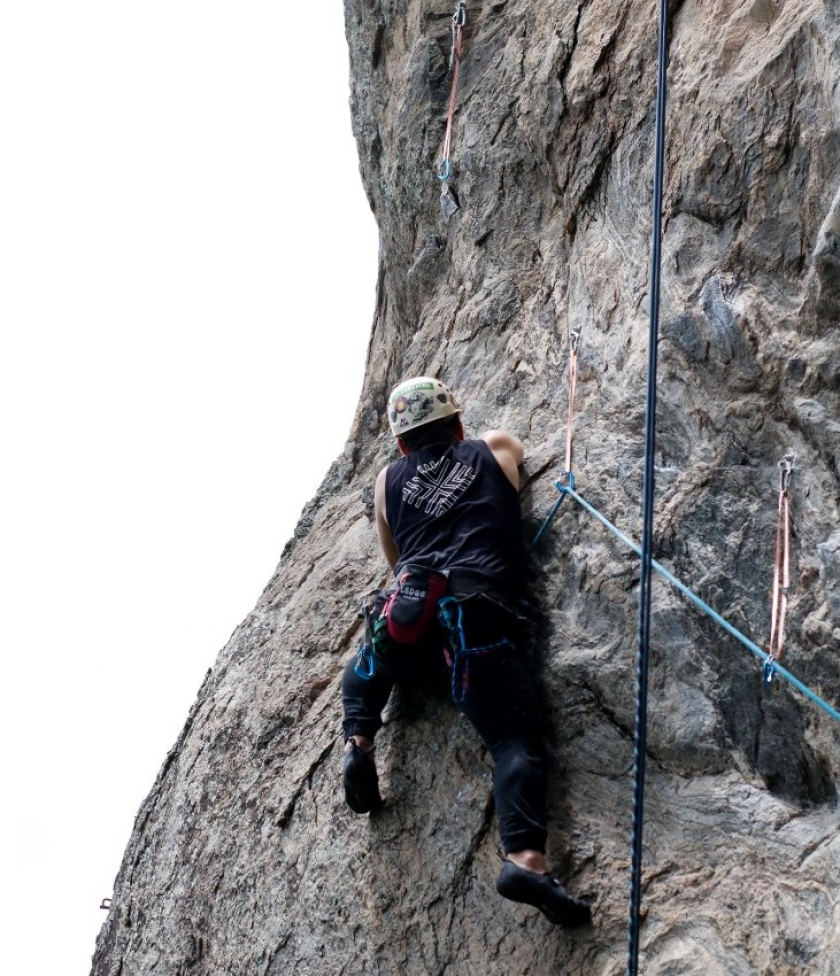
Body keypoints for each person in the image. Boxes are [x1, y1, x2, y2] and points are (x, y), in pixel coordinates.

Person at [340, 376, 591, 927]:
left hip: (410, 614)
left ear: (401, 444)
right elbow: (514, 462)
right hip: (474, 620)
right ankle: (525, 859)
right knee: (513, 741)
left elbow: (394, 557)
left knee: (371, 657)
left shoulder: (386, 481)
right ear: (458, 423)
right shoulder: (495, 447)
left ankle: (359, 737)